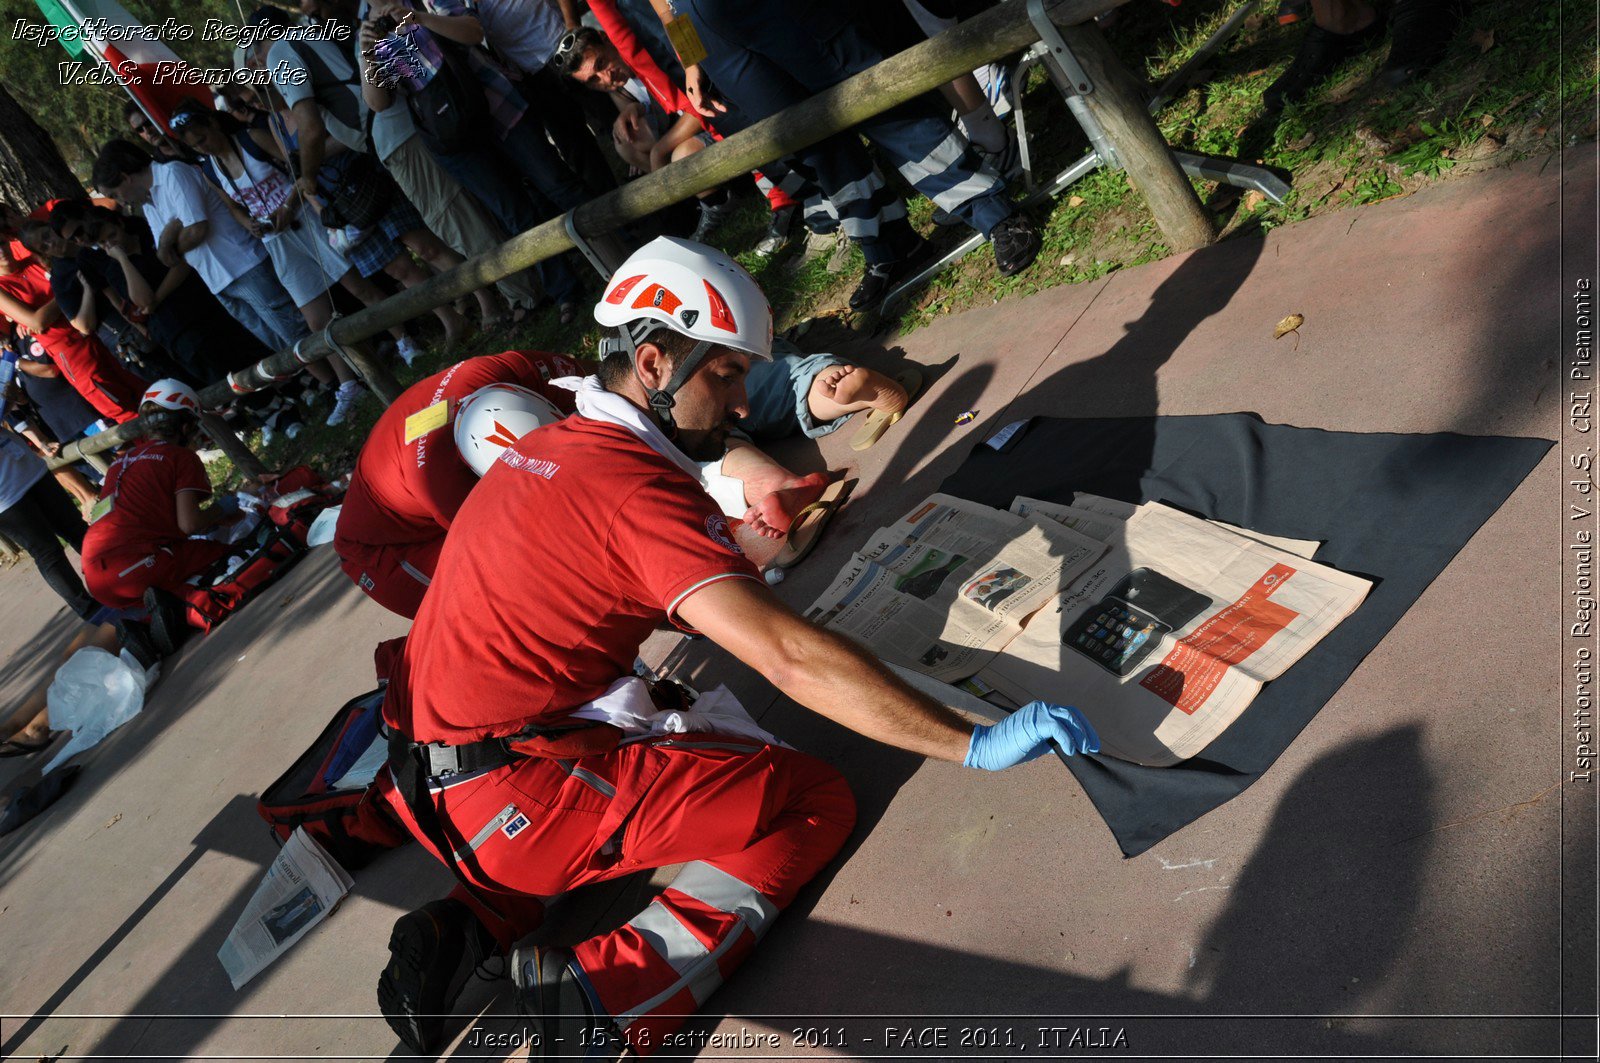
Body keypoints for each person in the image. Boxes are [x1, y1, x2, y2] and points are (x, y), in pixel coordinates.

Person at [370, 238, 1099, 1055]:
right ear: (653, 363)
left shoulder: (550, 444)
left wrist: (728, 555)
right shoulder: (634, 490)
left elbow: (604, 585)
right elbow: (788, 657)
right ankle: (604, 996)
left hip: (425, 778)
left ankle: (470, 921)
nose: (745, 402)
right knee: (806, 796)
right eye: (725, 374)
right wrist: (970, 742)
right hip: (513, 794)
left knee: (662, 747)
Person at [657, 0, 1043, 309]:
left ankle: (995, 214)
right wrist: (691, 60)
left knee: (877, 102)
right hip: (715, 41)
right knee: (809, 143)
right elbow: (663, 6)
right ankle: (889, 245)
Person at [354, 0, 592, 323]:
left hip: (493, 101)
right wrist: (370, 55)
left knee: (554, 180)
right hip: (449, 133)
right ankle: (566, 290)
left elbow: (473, 31)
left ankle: (613, 245)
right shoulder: (369, 29)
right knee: (514, 213)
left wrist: (419, 18)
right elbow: (378, 103)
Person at [334, 348, 584, 618]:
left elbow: (610, 381)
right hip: (380, 552)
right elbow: (532, 551)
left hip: (408, 474)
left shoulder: (509, 369)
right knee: (509, 607)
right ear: (475, 472)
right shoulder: (444, 488)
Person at [90, 139, 310, 355]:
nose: (119, 201)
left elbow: (197, 229)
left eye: (114, 194)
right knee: (280, 346)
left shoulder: (173, 173)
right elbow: (164, 256)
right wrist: (170, 233)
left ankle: (338, 379)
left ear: (125, 178)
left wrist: (171, 241)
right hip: (217, 281)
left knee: (296, 333)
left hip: (244, 264)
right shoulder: (148, 204)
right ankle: (323, 383)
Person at [79, 380, 239, 643]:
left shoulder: (120, 463)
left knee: (123, 609)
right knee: (228, 556)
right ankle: (167, 615)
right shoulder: (180, 457)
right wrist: (222, 509)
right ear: (186, 426)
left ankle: (147, 620)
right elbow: (190, 525)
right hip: (134, 567)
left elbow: (150, 517)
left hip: (96, 574)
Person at [0, 238, 146, 423]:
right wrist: (66, 294)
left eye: (1, 242)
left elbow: (76, 279)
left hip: (99, 330)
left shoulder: (34, 261)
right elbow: (37, 322)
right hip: (72, 352)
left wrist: (51, 306)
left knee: (142, 386)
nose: (1, 250)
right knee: (121, 408)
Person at [0, 423, 102, 622]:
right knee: (48, 553)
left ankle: (117, 575)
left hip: (32, 472)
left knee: (77, 530)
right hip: (6, 499)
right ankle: (91, 611)